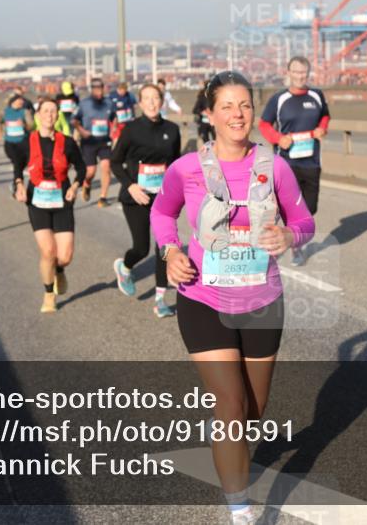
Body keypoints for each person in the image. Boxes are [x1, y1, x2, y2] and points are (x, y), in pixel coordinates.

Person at [150, 71, 314, 525]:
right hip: (202, 298)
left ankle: (230, 432)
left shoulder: (275, 167)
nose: (237, 114)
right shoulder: (186, 168)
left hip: (262, 301)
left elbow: (305, 222)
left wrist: (289, 235)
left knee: (252, 413)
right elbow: (162, 212)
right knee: (230, 405)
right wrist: (170, 251)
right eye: (227, 106)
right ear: (210, 113)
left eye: (244, 105)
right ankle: (240, 510)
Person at [110, 83, 182, 317]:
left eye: (155, 98)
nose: (151, 103)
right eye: (146, 98)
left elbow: (174, 165)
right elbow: (115, 162)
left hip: (162, 198)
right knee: (141, 248)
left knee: (164, 246)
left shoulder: (172, 130)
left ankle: (160, 299)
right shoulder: (131, 130)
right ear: (140, 103)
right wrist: (130, 186)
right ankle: (125, 267)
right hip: (136, 197)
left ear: (162, 101)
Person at [13, 97, 85, 314]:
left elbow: (81, 168)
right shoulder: (27, 142)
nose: (49, 115)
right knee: (47, 251)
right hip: (37, 201)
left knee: (64, 256)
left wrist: (75, 186)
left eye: (53, 111)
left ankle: (59, 270)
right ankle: (48, 294)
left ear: (57, 115)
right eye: (45, 111)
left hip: (62, 200)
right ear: (38, 115)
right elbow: (17, 167)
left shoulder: (67, 142)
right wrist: (19, 185)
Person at [259, 56, 330, 266]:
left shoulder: (316, 95)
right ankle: (292, 246)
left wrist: (322, 129)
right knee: (287, 208)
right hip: (287, 163)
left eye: (303, 72)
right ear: (288, 73)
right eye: (296, 72)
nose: (300, 76)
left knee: (310, 209)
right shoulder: (279, 99)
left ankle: (289, 238)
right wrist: (278, 138)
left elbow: (325, 116)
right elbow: (264, 124)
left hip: (311, 162)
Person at [74, 78, 116, 207]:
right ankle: (87, 184)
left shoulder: (109, 103)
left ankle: (103, 197)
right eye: (96, 89)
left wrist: (113, 129)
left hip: (104, 141)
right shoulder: (84, 103)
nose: (99, 91)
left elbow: (114, 117)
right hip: (89, 141)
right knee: (91, 171)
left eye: (100, 88)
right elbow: (74, 120)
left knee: (106, 167)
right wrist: (81, 131)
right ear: (92, 89)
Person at [2, 94, 33, 195]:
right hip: (10, 143)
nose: (22, 102)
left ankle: (16, 181)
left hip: (23, 142)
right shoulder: (5, 111)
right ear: (13, 102)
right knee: (17, 162)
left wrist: (24, 125)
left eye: (22, 101)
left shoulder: (25, 112)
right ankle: (18, 185)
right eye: (20, 101)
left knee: (25, 163)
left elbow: (31, 126)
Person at [192, 80, 215, 145]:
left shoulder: (216, 98)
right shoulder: (201, 98)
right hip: (204, 123)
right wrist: (203, 112)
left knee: (216, 140)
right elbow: (194, 110)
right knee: (206, 141)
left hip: (214, 123)